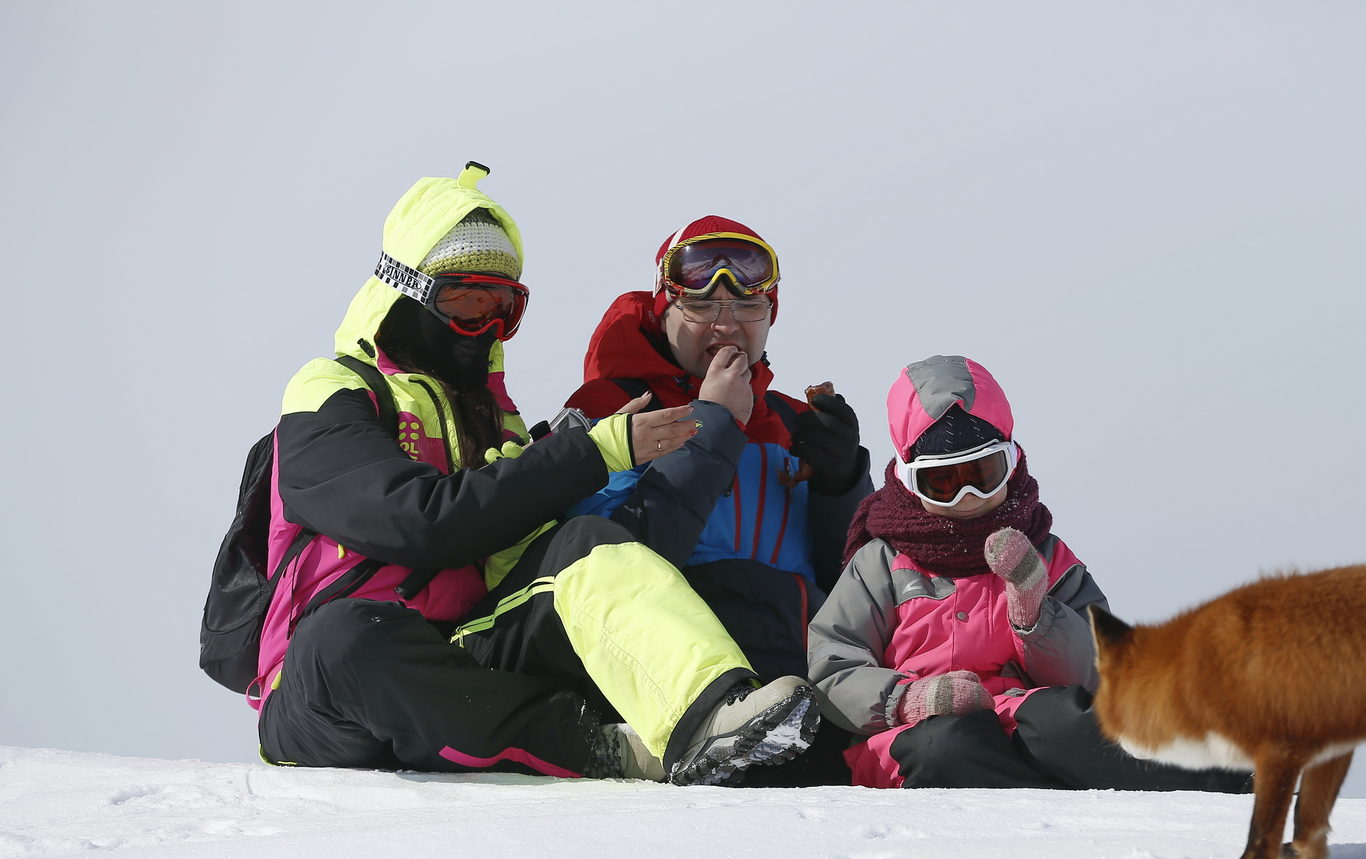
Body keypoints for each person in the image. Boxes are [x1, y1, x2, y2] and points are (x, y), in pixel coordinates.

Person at [253, 163, 818, 786]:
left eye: (505, 307)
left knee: (583, 548)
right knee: (345, 638)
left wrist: (838, 477)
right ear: (405, 293)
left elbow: (529, 556)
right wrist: (588, 453)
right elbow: (413, 522)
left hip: (467, 650)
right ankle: (600, 749)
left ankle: (709, 717)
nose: (488, 328)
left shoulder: (498, 423)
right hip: (331, 687)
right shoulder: (332, 392)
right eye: (467, 303)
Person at [808, 354, 1250, 792]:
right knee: (948, 747)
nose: (966, 497)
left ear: (1012, 462)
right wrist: (909, 700)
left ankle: (1234, 768)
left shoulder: (1044, 556)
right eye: (942, 483)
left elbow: (1101, 672)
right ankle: (1048, 789)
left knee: (1064, 722)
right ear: (908, 480)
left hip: (1019, 716)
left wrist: (1036, 614)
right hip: (911, 735)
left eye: (983, 474)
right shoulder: (882, 563)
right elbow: (832, 665)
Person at [561, 217, 873, 782]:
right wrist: (713, 426)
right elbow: (610, 558)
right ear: (664, 310)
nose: (726, 324)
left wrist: (842, 485)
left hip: (803, 686)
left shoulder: (789, 423)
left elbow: (859, 585)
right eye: (702, 308)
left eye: (747, 308)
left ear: (770, 316)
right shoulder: (613, 414)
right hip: (679, 694)